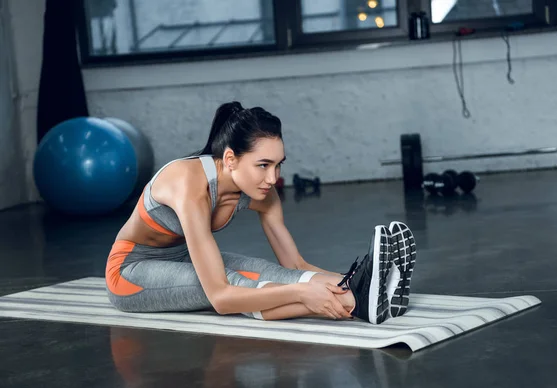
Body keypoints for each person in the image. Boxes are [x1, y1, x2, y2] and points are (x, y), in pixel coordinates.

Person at [105, 101, 416, 324]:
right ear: (230, 160)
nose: (273, 178)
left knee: (272, 274)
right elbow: (221, 298)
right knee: (237, 285)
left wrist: (327, 281)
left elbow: (293, 264)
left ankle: (368, 284)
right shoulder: (188, 185)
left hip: (183, 258)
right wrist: (302, 294)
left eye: (278, 164)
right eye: (263, 165)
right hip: (131, 272)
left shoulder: (262, 192)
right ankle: (358, 302)